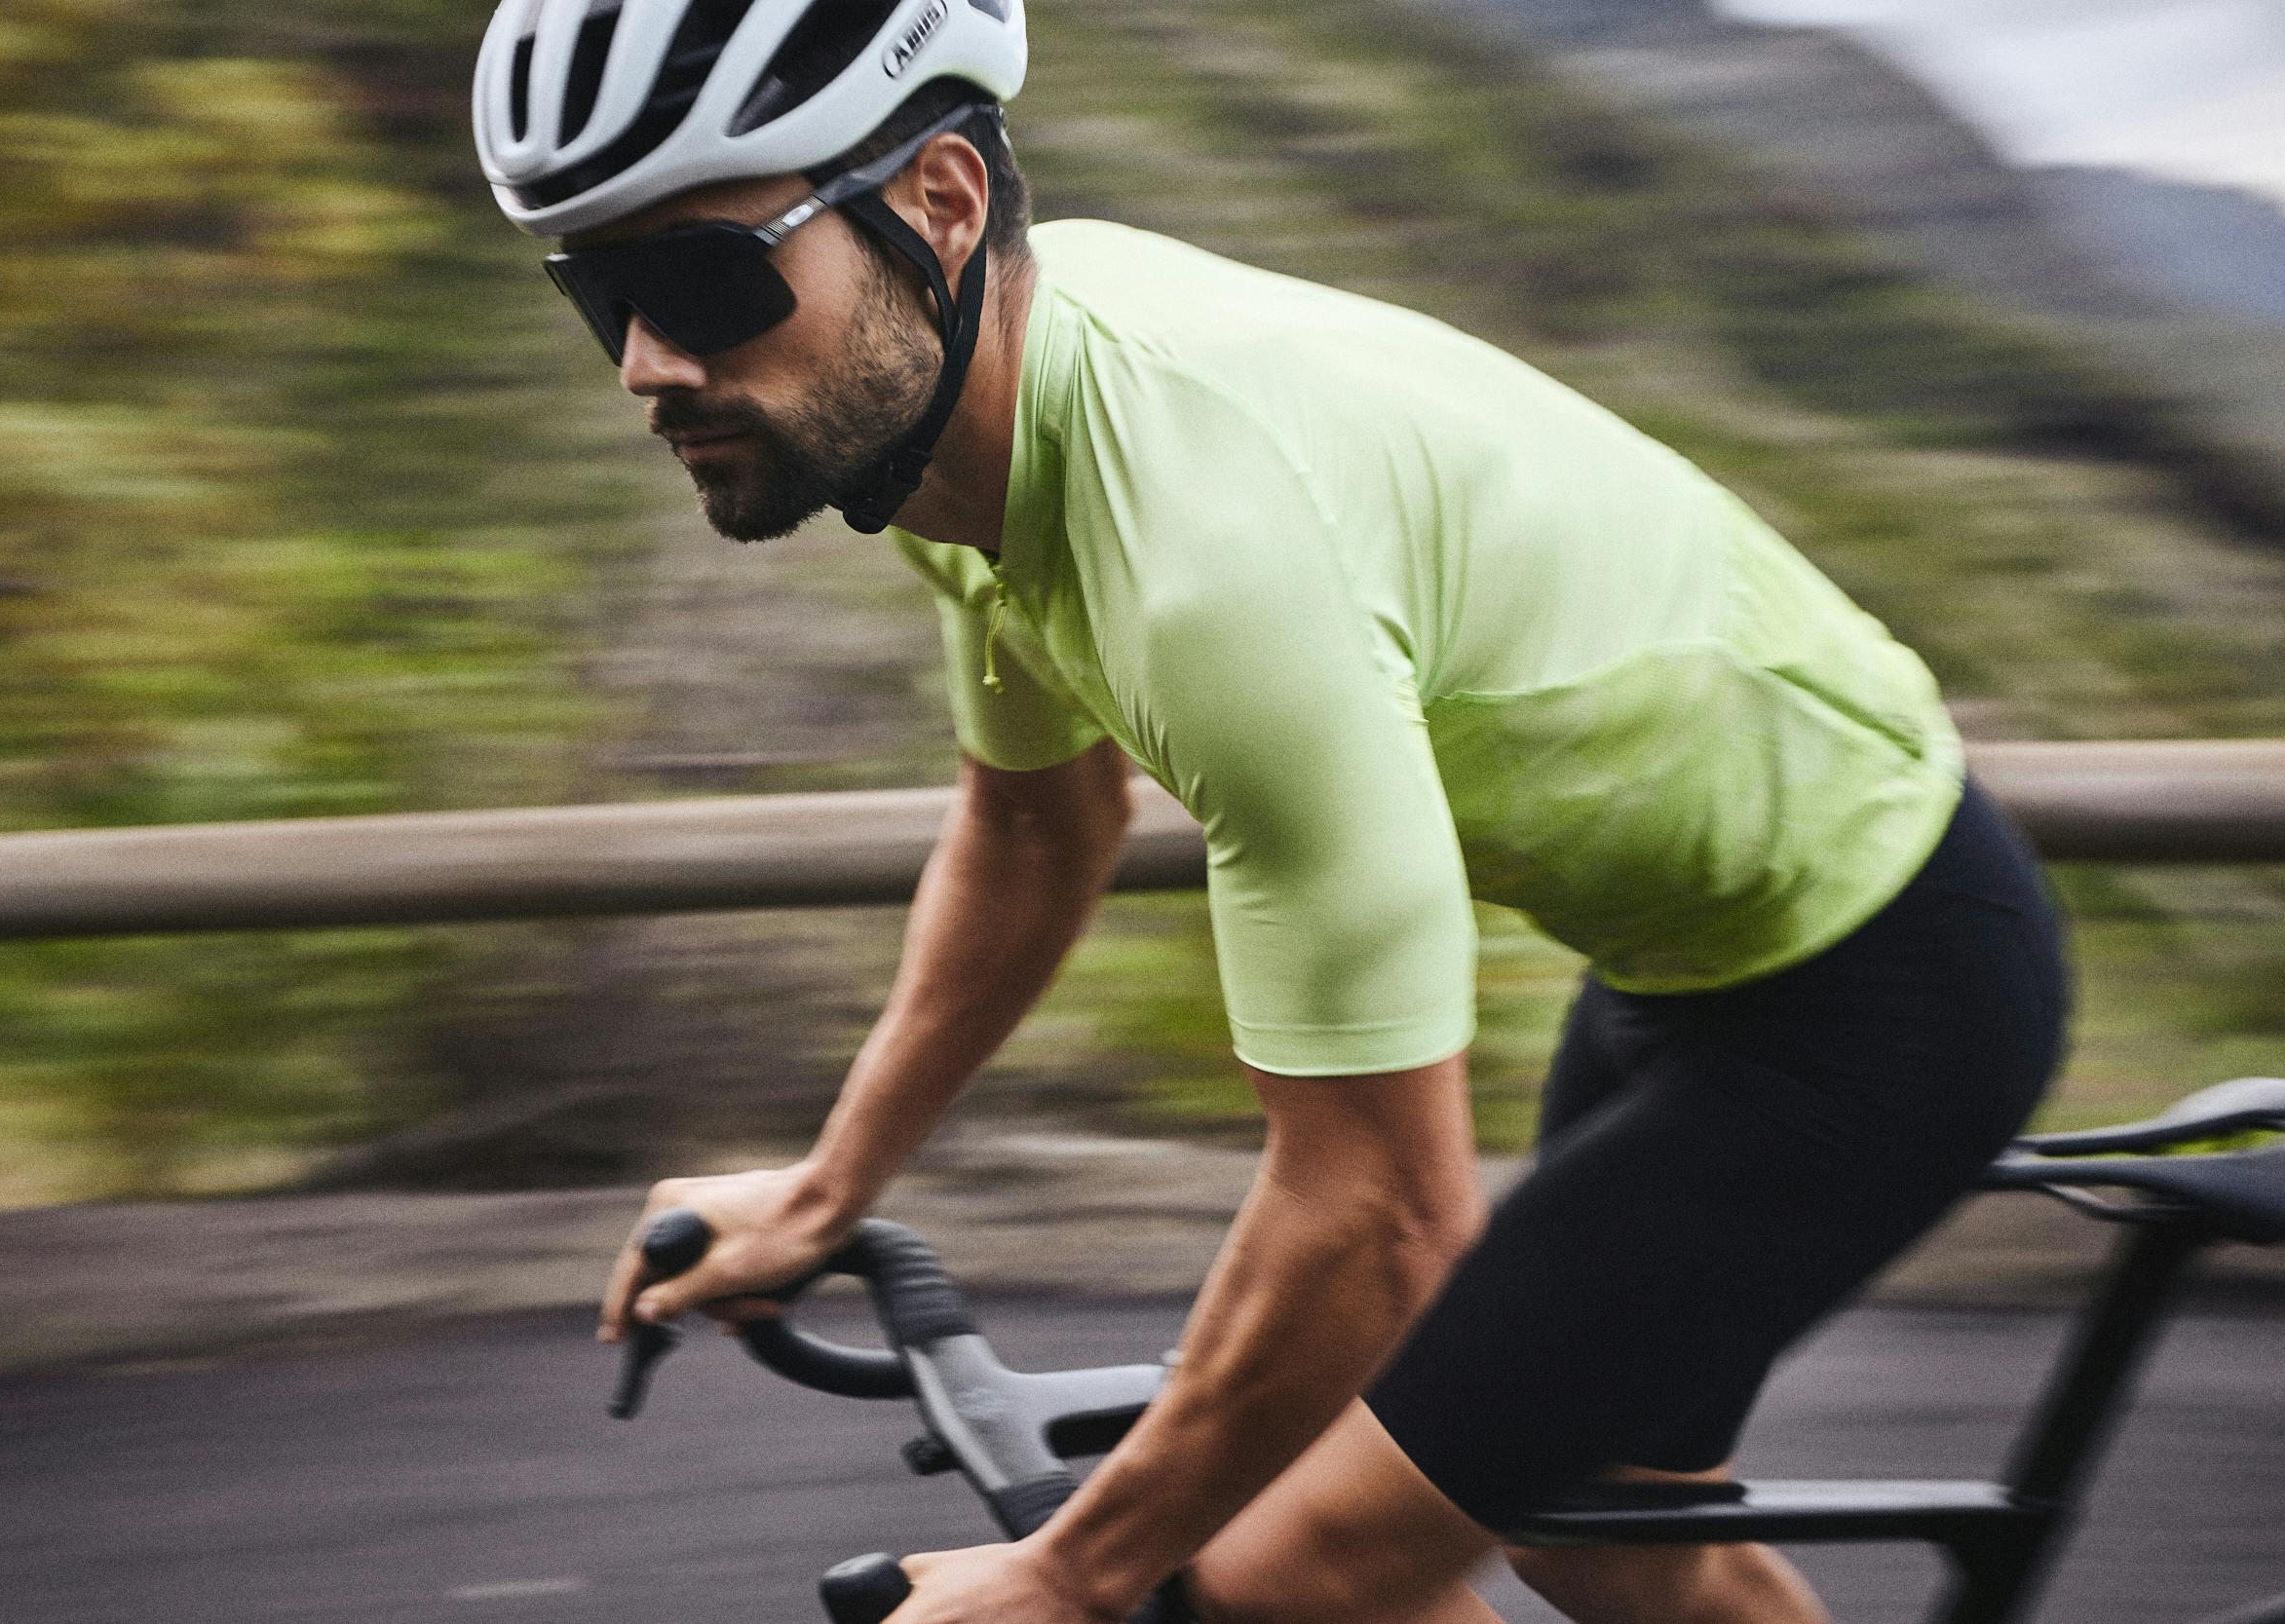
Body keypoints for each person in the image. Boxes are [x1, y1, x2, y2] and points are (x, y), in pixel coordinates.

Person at [474, 4, 2070, 1620]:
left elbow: (1384, 1212)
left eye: (700, 286)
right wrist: (826, 1194)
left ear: (942, 203)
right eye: (599, 294)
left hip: (1884, 981)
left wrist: (1073, 1577)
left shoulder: (1210, 552)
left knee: (1293, 1579)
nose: (647, 365)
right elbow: (1035, 831)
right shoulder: (943, 422)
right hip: (1684, 958)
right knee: (1577, 1528)